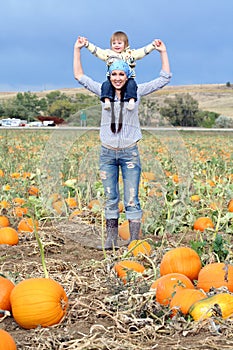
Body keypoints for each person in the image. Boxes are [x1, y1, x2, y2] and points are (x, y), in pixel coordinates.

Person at [73, 35, 171, 250]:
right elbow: (79, 76)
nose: (118, 78)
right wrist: (78, 49)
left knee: (131, 198)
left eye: (121, 74)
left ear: (127, 76)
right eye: (114, 74)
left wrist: (162, 52)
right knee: (110, 197)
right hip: (107, 154)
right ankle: (111, 240)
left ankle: (134, 241)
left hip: (129, 153)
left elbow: (164, 79)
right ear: (109, 75)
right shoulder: (102, 91)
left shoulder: (136, 92)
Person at [83, 31, 156, 111]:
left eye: (119, 43)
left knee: (132, 85)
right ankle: (107, 101)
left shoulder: (130, 54)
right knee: (105, 85)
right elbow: (97, 51)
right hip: (112, 79)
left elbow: (142, 52)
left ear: (126, 44)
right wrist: (87, 44)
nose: (116, 45)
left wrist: (153, 45)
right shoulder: (108, 54)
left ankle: (131, 101)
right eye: (114, 43)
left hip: (128, 78)